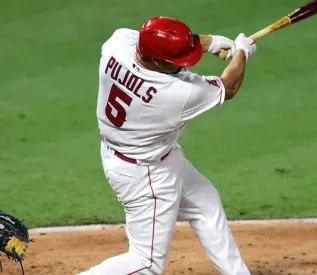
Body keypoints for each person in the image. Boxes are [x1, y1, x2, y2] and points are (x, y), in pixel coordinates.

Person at [78, 16, 256, 275]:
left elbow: (158, 41)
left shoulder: (116, 44)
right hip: (145, 174)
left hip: (140, 153)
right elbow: (228, 87)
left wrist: (210, 43)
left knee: (205, 203)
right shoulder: (176, 93)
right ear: (158, 61)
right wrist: (242, 52)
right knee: (146, 262)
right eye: (175, 64)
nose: (182, 68)